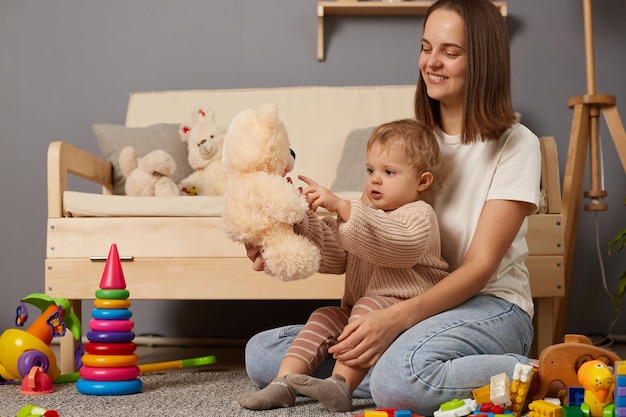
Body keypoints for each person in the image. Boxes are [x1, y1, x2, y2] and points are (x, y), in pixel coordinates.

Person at [242, 0, 542, 414]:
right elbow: (355, 243)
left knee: (400, 381)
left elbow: (479, 268)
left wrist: (396, 320)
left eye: (450, 52)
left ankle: (529, 372)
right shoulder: (408, 144)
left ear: (484, 61)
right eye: (426, 47)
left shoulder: (515, 143)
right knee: (261, 354)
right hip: (404, 303)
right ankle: (370, 375)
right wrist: (284, 240)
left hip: (489, 305)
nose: (431, 62)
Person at [237, 118, 449, 412]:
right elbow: (336, 252)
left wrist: (344, 207)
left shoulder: (418, 215)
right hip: (362, 308)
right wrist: (300, 221)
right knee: (325, 315)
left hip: (406, 315)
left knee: (364, 310)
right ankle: (283, 383)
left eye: (389, 172)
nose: (375, 179)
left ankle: (341, 384)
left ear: (422, 181)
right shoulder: (363, 211)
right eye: (371, 170)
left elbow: (402, 246)